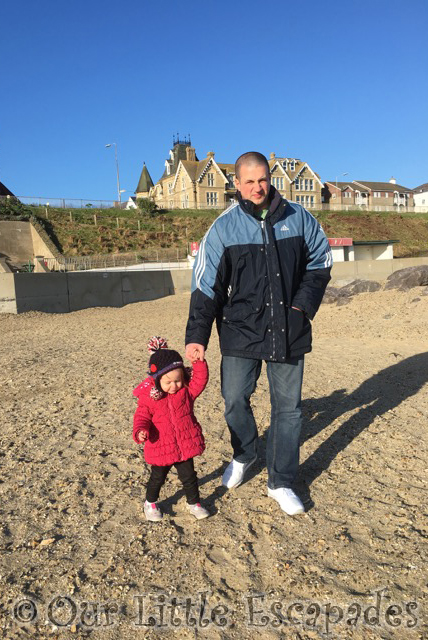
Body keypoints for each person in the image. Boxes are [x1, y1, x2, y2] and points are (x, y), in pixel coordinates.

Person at [185, 152, 332, 516]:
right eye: (248, 181)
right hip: (240, 329)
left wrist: (300, 309)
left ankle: (281, 481)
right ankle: (246, 453)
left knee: (289, 409)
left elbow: (320, 263)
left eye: (263, 179)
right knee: (234, 398)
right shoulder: (223, 228)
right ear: (236, 183)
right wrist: (196, 337)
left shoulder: (300, 217)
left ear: (271, 178)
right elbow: (206, 286)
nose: (257, 187)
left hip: (288, 328)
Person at [133, 336, 210, 521]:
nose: (174, 386)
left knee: (189, 477)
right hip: (161, 446)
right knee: (157, 478)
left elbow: (200, 380)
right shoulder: (150, 398)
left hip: (184, 445)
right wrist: (141, 431)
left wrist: (198, 362)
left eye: (178, 380)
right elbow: (141, 416)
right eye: (168, 382)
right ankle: (150, 503)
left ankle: (194, 503)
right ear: (157, 380)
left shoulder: (186, 392)